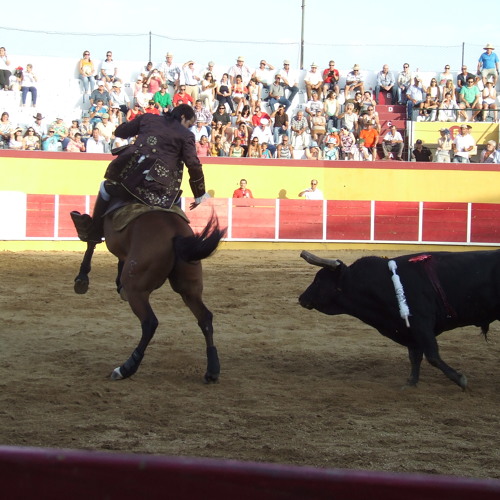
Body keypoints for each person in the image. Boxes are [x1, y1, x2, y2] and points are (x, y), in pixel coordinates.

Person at [71, 104, 210, 244]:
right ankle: (179, 240)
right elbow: (193, 164)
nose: (189, 127)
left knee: (105, 188)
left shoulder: (148, 118)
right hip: (162, 191)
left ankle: (95, 230)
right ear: (183, 117)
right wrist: (199, 195)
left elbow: (121, 132)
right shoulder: (186, 135)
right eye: (189, 124)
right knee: (176, 201)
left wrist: (127, 118)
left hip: (129, 182)